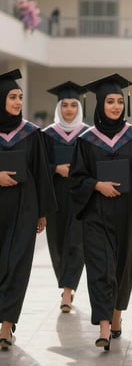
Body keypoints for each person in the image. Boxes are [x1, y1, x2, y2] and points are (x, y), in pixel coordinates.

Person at [69, 73, 132, 351]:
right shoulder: (87, 140)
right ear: (100, 104)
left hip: (128, 214)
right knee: (100, 268)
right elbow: (76, 179)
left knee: (123, 268)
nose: (115, 106)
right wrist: (95, 184)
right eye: (109, 101)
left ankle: (116, 316)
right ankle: (103, 327)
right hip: (96, 214)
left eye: (118, 101)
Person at [0, 69, 56, 350]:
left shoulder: (31, 133)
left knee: (18, 264)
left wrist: (42, 211)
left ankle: (7, 326)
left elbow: (41, 172)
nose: (17, 102)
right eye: (12, 97)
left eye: (20, 97)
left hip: (24, 204)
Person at [42, 81, 89, 313]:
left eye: (73, 105)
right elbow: (38, 167)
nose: (69, 110)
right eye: (65, 105)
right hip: (56, 196)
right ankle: (65, 282)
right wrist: (56, 169)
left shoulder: (89, 135)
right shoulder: (47, 135)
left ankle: (68, 291)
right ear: (59, 107)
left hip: (81, 197)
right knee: (57, 243)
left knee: (76, 242)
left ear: (79, 108)